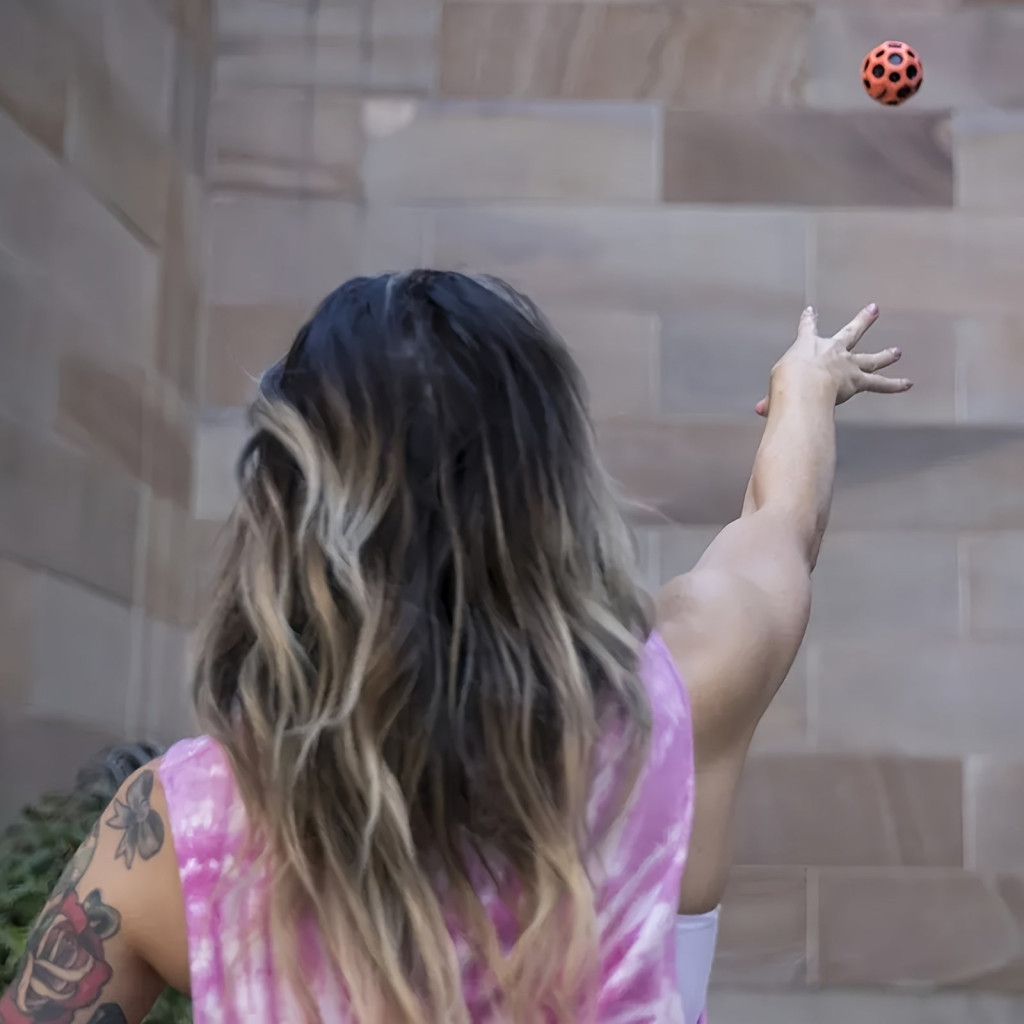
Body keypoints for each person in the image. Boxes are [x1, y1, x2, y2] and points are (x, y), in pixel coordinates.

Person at [0, 274, 909, 1024]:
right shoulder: (682, 692)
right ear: (552, 495)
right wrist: (806, 385)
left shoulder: (176, 832)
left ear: (287, 516)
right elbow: (781, 522)